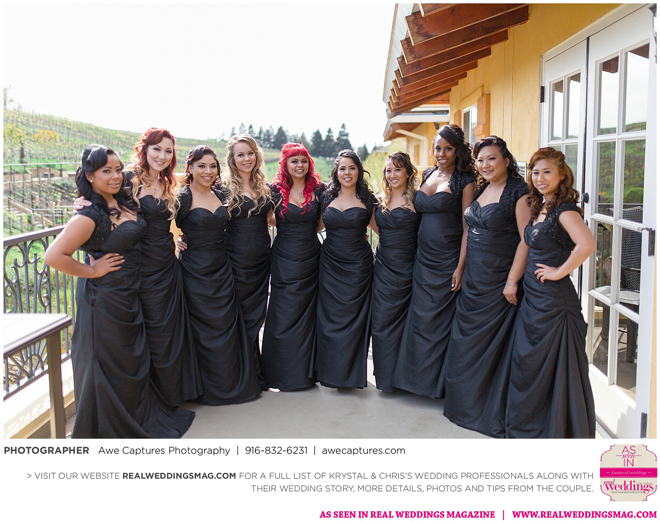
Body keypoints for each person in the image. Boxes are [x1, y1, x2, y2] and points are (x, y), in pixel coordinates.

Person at [44, 144, 194, 438]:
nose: (115, 176)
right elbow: (53, 256)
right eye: (106, 171)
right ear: (89, 176)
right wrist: (92, 271)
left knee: (128, 360)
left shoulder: (124, 200)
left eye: (117, 169)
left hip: (130, 293)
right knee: (107, 362)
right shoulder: (89, 215)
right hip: (103, 298)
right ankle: (108, 427)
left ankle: (135, 416)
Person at [74, 128, 202, 407]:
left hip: (167, 264)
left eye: (168, 151)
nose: (162, 156)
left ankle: (174, 394)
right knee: (150, 332)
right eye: (156, 149)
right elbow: (101, 199)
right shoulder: (127, 179)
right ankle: (151, 399)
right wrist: (81, 204)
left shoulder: (168, 182)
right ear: (144, 150)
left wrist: (184, 239)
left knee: (168, 331)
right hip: (141, 266)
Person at [443, 135, 531, 437]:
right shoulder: (482, 189)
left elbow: (526, 240)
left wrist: (512, 281)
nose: (485, 165)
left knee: (491, 348)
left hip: (499, 282)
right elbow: (469, 231)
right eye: (480, 160)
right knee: (466, 344)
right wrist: (461, 267)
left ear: (506, 160)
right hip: (473, 280)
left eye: (491, 158)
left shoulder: (518, 192)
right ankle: (465, 407)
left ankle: (487, 412)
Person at [505, 147, 595, 438]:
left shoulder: (565, 210)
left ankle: (558, 433)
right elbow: (526, 245)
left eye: (547, 172)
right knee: (531, 368)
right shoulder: (540, 206)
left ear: (561, 176)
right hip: (533, 301)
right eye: (536, 172)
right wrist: (513, 281)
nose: (540, 178)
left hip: (556, 305)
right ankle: (535, 428)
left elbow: (587, 244)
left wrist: (559, 271)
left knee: (558, 371)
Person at [392, 124, 476, 399]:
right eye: (437, 148)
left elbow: (468, 227)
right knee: (420, 319)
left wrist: (460, 266)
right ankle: (415, 382)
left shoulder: (465, 180)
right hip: (422, 258)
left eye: (447, 149)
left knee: (440, 322)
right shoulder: (427, 174)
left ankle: (438, 387)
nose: (441, 154)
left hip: (448, 260)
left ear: (457, 150)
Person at [176, 145, 261, 405]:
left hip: (222, 269)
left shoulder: (220, 193)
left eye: (212, 166)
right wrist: (177, 241)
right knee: (201, 330)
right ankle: (202, 389)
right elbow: (162, 225)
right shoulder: (183, 197)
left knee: (225, 326)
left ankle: (230, 384)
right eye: (201, 166)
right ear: (190, 168)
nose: (208, 171)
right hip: (194, 272)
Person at [261, 143, 325, 391]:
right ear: (285, 164)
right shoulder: (274, 191)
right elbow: (263, 218)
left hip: (311, 258)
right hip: (284, 259)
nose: (300, 165)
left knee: (308, 317)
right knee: (283, 314)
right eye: (294, 161)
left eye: (304, 160)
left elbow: (321, 223)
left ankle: (304, 375)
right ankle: (279, 374)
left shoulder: (319, 190)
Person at [316, 149, 376, 389]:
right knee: (329, 319)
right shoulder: (325, 197)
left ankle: (350, 376)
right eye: (343, 168)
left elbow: (383, 229)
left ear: (359, 171)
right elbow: (313, 226)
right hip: (330, 265)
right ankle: (331, 373)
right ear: (336, 172)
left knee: (354, 322)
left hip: (358, 268)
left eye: (352, 168)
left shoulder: (368, 199)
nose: (347, 172)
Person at [370, 152, 420, 392]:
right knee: (381, 323)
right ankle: (386, 380)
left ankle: (405, 380)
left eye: (397, 169)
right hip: (383, 268)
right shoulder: (379, 200)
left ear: (408, 172)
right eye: (388, 170)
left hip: (409, 269)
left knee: (407, 325)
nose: (392, 175)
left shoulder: (418, 200)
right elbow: (376, 227)